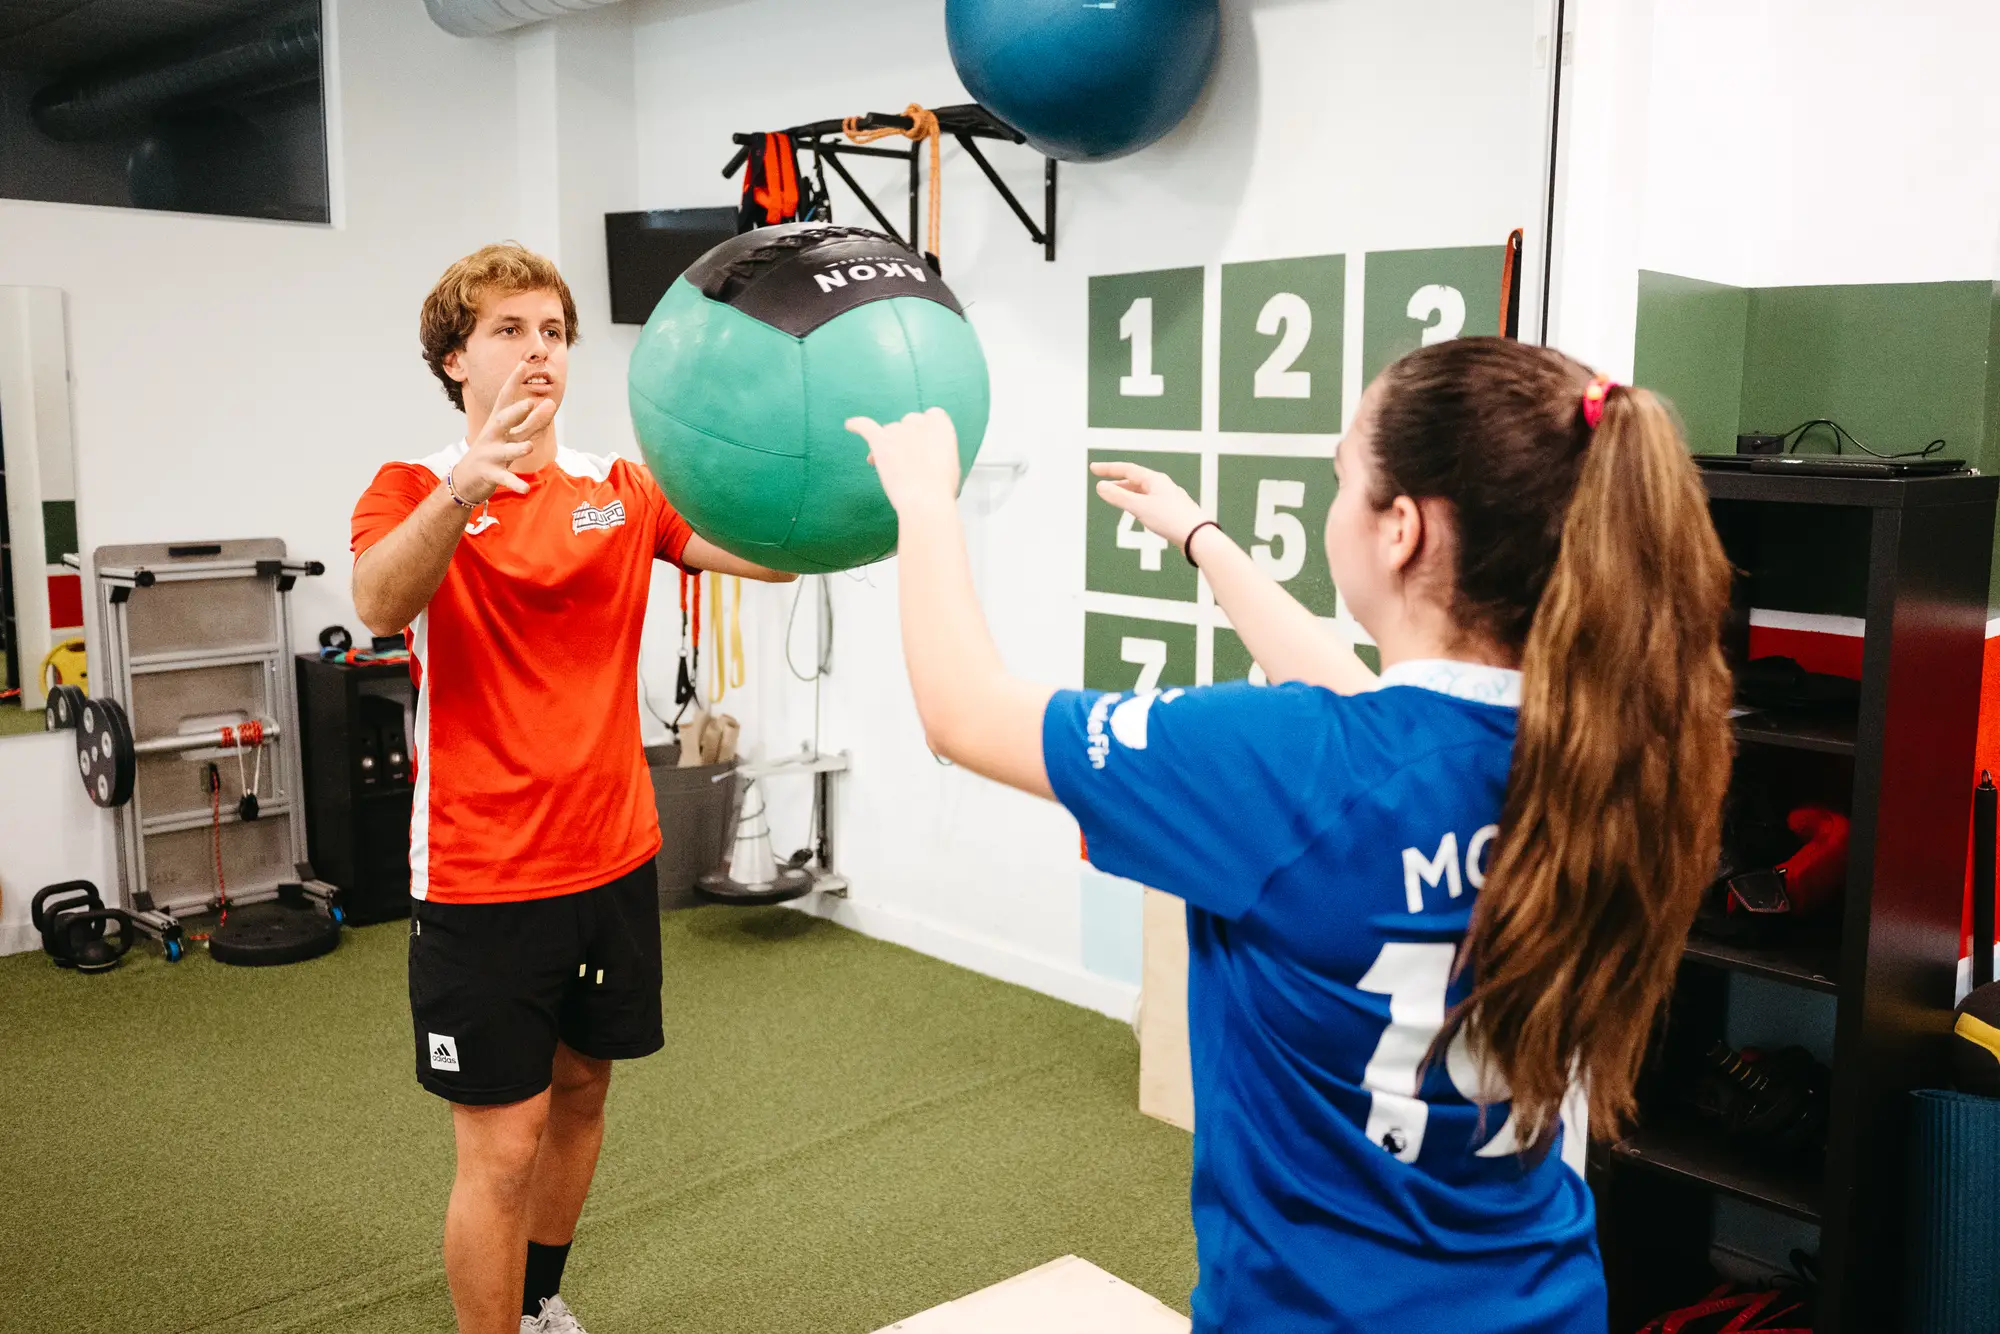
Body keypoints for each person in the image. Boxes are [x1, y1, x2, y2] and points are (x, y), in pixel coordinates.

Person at [848, 336, 1735, 1332]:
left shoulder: (1282, 765)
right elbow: (1367, 710)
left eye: (1339, 474)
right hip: (1544, 1303)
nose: (1331, 497)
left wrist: (923, 501)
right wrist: (1202, 539)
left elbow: (963, 711)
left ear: (1398, 529)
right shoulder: (1609, 756)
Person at [351, 242, 794, 1334]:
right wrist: (467, 484)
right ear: (455, 359)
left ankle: (540, 1298)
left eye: (552, 331)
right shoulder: (411, 486)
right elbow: (376, 600)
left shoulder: (620, 488)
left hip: (613, 854)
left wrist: (853, 483)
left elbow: (769, 554)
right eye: (509, 329)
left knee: (585, 1090)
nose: (539, 350)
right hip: (481, 872)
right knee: (501, 1142)